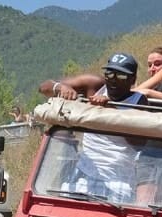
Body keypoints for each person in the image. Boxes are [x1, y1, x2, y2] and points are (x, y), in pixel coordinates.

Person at [38, 53, 148, 203]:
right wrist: (61, 87)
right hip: (85, 172)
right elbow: (44, 87)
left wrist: (111, 112)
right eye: (109, 74)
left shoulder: (138, 102)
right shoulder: (95, 86)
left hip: (118, 180)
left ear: (133, 80)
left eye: (121, 76)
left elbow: (139, 143)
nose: (113, 80)